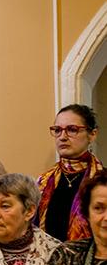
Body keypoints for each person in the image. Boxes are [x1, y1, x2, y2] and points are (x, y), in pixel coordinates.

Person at [35, 104, 102, 242]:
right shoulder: (43, 182)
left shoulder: (102, 180)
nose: (62, 137)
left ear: (92, 134)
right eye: (57, 130)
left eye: (72, 130)